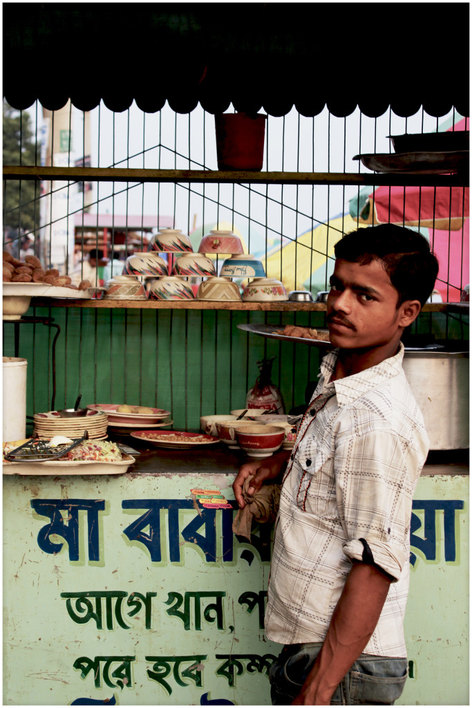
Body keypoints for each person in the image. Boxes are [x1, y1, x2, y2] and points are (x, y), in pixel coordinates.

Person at [233, 224, 439, 705]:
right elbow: (333, 462)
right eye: (338, 286)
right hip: (318, 652)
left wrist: (321, 688)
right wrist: (281, 464)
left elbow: (374, 564)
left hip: (343, 667)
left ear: (407, 312)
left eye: (364, 295)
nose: (340, 304)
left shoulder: (377, 420)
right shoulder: (343, 374)